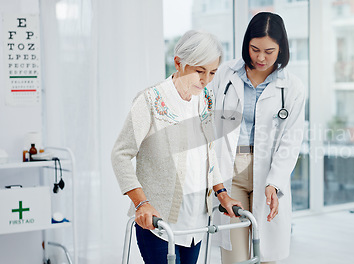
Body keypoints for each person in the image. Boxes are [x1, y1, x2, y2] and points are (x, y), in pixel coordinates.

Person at [111, 30, 242, 264]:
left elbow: (208, 152)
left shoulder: (206, 99)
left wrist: (222, 193)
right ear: (179, 63)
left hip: (196, 220)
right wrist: (141, 203)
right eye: (199, 71)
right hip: (159, 221)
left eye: (212, 72)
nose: (205, 80)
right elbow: (120, 154)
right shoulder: (150, 100)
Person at [208, 12, 306, 264]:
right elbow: (207, 119)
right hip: (232, 170)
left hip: (269, 174)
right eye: (255, 49)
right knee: (234, 257)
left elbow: (291, 141)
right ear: (246, 45)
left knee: (267, 254)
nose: (261, 57)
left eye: (269, 51)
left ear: (281, 48)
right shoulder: (225, 75)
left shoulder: (292, 87)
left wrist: (274, 182)